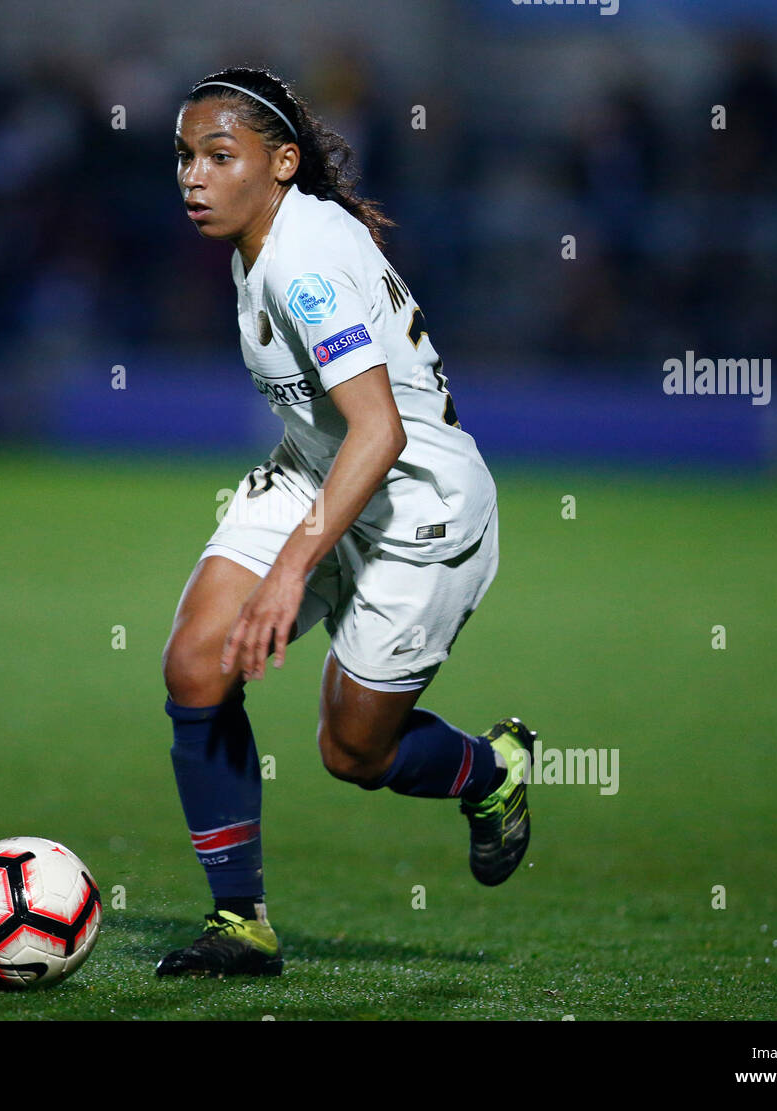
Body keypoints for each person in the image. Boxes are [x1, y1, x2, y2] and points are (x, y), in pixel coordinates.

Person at [158, 66, 536, 977]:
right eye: (184, 156)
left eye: (219, 155)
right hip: (319, 472)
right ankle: (239, 922)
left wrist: (291, 569)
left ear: (281, 163)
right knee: (195, 662)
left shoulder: (303, 262)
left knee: (352, 751)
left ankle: (492, 772)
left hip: (418, 508)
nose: (193, 177)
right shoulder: (261, 242)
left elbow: (382, 428)